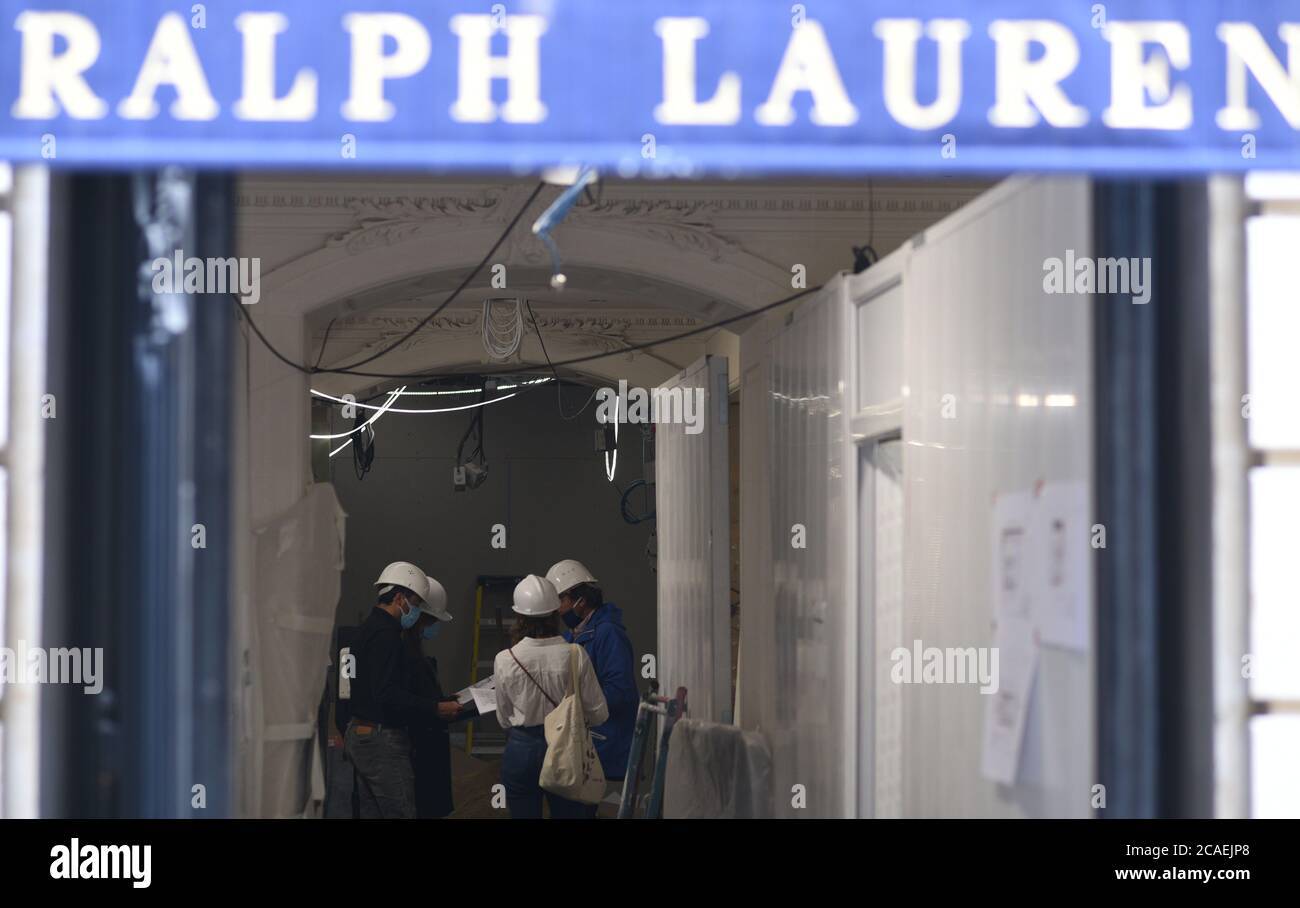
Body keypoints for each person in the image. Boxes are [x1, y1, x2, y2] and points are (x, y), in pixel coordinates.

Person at [343, 561, 455, 819]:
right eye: (415, 603)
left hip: (359, 733)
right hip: (382, 741)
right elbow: (387, 693)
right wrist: (435, 706)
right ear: (399, 597)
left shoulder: (364, 630)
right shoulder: (388, 635)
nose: (415, 610)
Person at [494, 574, 608, 819]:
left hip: (521, 749)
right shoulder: (575, 654)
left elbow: (503, 719)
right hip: (566, 747)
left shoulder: (505, 659)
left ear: (519, 616)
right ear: (556, 613)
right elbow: (599, 713)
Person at [547, 559, 638, 807]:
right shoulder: (571, 635)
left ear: (581, 600)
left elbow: (620, 693)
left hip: (603, 743)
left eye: (561, 601)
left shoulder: (609, 634)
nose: (558, 609)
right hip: (583, 743)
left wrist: (577, 707)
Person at [400, 580, 464, 818]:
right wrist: (437, 706)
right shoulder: (405, 651)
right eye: (434, 620)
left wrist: (446, 701)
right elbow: (406, 700)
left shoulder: (415, 649)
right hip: (420, 746)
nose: (435, 627)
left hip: (427, 744)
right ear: (421, 617)